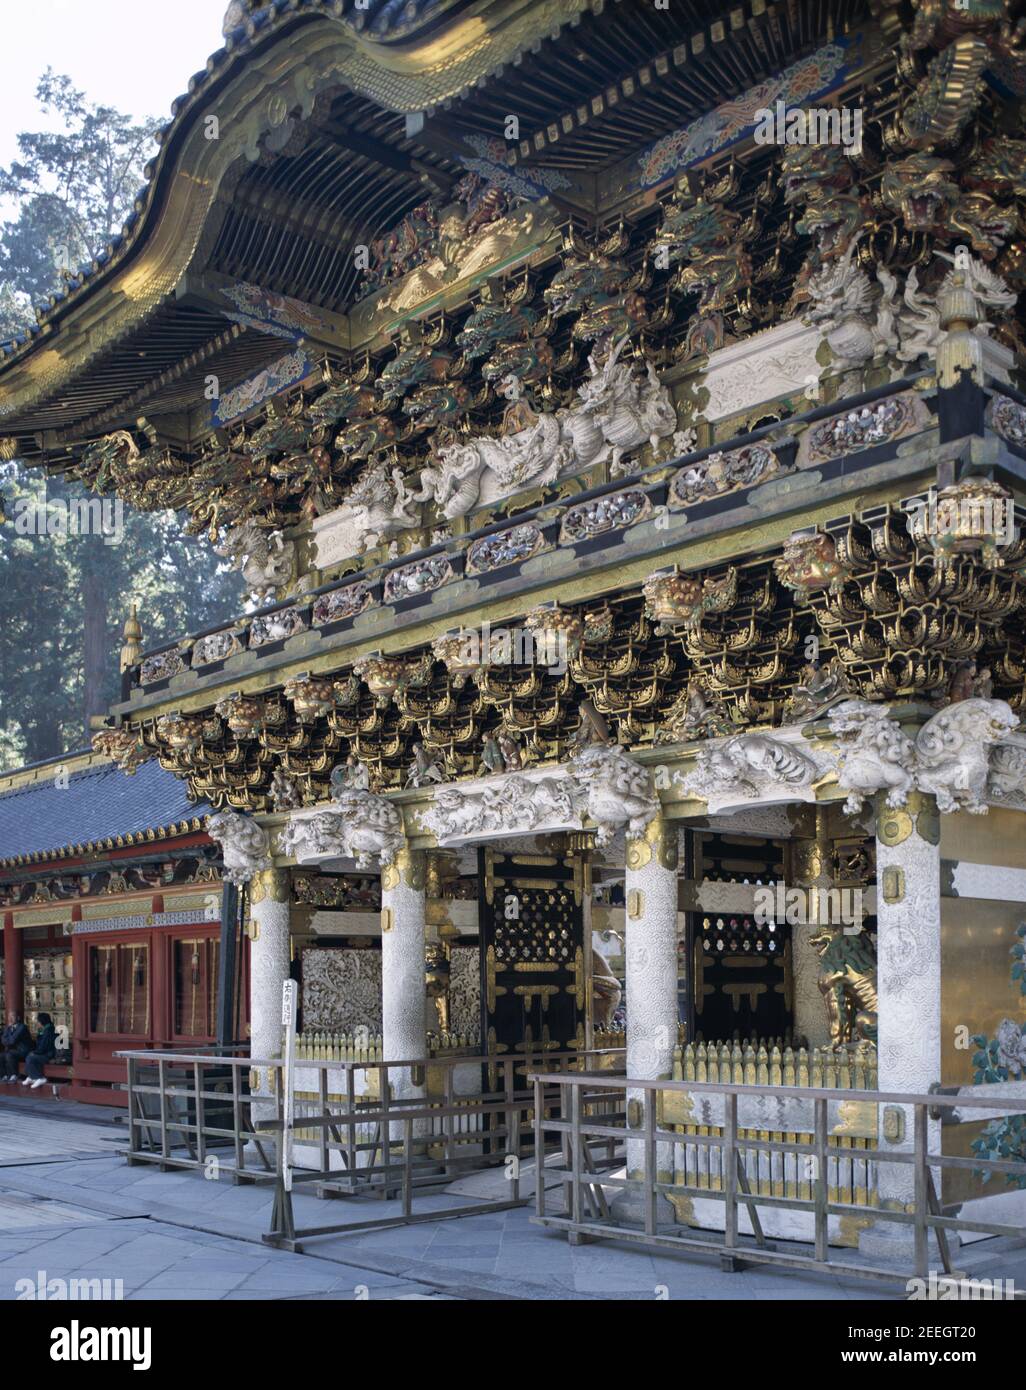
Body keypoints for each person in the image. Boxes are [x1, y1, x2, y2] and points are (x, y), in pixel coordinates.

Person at [21, 1012, 56, 1090]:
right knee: (29, 1055)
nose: (37, 1023)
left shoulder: (49, 1031)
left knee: (30, 1057)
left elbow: (44, 1047)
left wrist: (35, 1052)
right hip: (44, 1053)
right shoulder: (44, 1030)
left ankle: (39, 1078)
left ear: (42, 1021)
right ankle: (31, 1076)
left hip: (49, 1055)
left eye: (38, 1021)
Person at [2, 1014, 33, 1082]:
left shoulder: (22, 1027)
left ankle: (14, 1075)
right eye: (9, 1017)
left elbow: (13, 1040)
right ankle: (4, 1075)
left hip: (24, 1051)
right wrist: (7, 1040)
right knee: (1, 1055)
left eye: (12, 1017)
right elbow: (3, 1040)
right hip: (14, 1050)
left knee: (9, 1055)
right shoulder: (9, 1028)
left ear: (18, 1018)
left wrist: (7, 1040)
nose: (10, 1019)